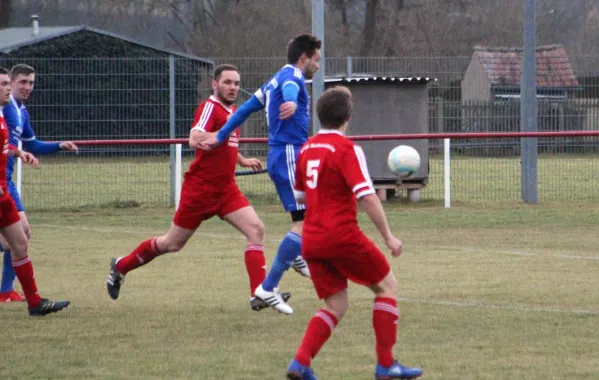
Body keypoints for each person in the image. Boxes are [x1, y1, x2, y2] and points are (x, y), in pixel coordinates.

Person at [106, 64, 289, 311]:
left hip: (226, 190)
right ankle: (120, 266)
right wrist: (211, 139)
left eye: (236, 83)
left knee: (256, 229)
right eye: (227, 82)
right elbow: (195, 138)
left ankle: (259, 294)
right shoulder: (209, 107)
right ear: (215, 84)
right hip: (200, 191)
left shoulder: (234, 111)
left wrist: (242, 160)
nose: (233, 87)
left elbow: (226, 143)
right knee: (172, 244)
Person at [286, 86, 423, 380]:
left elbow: (299, 196)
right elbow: (368, 196)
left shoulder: (307, 148)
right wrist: (388, 236)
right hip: (341, 236)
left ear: (320, 116)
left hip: (312, 240)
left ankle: (300, 363)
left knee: (336, 304)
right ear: (348, 117)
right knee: (387, 288)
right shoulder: (348, 149)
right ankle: (386, 365)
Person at [199, 34, 322, 314]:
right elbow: (291, 87)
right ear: (303, 58)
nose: (317, 65)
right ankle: (269, 286)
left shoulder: (272, 80)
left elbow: (243, 110)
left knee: (305, 218)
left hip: (281, 156)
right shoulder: (292, 75)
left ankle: (296, 256)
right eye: (316, 60)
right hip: (290, 154)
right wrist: (291, 102)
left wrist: (221, 135)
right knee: (308, 221)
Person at [0, 64, 79, 302]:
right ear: (11, 82)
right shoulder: (7, 110)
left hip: (6, 181)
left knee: (20, 237)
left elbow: (30, 144)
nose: (27, 87)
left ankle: (7, 291)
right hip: (3, 181)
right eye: (22, 82)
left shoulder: (20, 111)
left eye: (31, 83)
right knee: (18, 237)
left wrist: (57, 146)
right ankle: (8, 291)